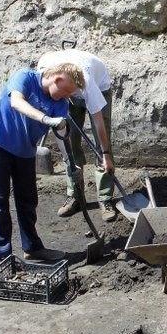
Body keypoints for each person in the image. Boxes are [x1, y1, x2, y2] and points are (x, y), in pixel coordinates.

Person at [0, 64, 85, 262]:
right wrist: (46, 119)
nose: (66, 97)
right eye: (66, 91)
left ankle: (32, 248)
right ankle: (4, 256)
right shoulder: (25, 77)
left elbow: (61, 133)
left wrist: (69, 162)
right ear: (58, 79)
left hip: (26, 151)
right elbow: (16, 103)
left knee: (28, 201)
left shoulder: (61, 103)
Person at [37, 49, 117, 222]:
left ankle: (105, 198)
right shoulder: (44, 68)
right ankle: (75, 196)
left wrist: (106, 155)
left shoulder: (88, 83)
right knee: (70, 143)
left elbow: (99, 122)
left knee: (101, 144)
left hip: (99, 88)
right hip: (68, 90)